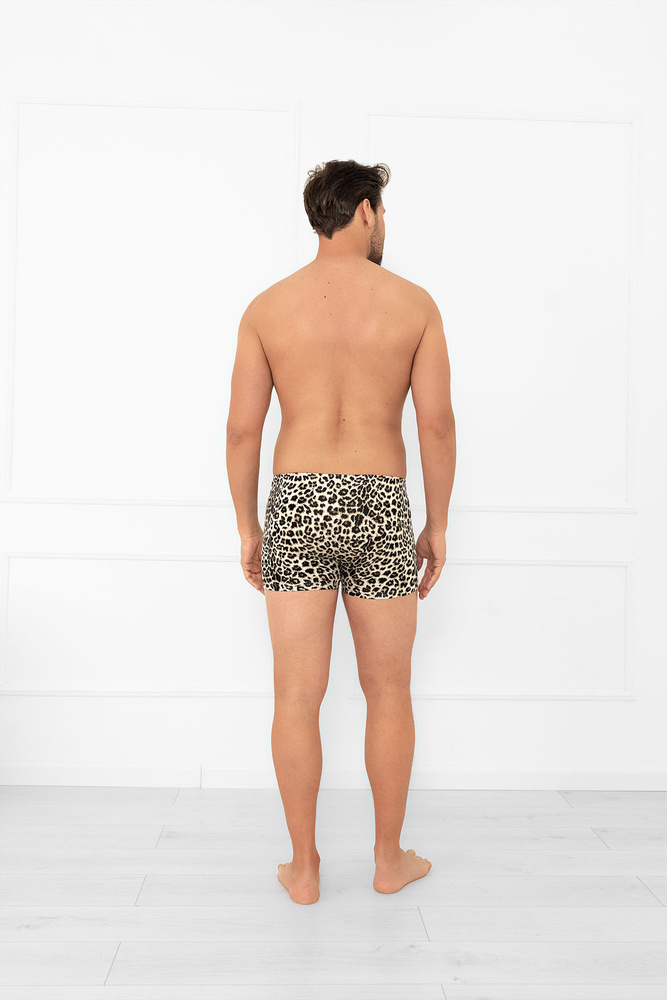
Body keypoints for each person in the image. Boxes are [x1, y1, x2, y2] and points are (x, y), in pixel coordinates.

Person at [226, 159, 456, 905]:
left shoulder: (268, 308)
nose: (384, 224)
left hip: (297, 501)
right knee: (388, 690)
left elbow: (241, 431)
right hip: (379, 502)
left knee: (296, 695)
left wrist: (248, 526)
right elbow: (436, 425)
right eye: (382, 211)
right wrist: (437, 523)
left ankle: (303, 869)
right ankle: (388, 861)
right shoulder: (414, 305)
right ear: (363, 211)